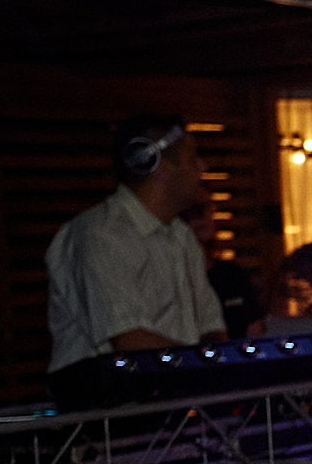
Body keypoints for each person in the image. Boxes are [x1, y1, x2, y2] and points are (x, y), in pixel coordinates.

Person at [45, 114, 223, 405]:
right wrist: (207, 372)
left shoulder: (182, 236)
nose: (202, 168)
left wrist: (220, 367)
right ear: (161, 166)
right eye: (193, 159)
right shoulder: (99, 234)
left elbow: (211, 326)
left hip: (175, 402)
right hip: (109, 415)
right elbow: (129, 341)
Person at [184, 200, 264, 340]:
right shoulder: (172, 278)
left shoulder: (233, 274)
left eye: (208, 209)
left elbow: (255, 328)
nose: (202, 216)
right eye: (193, 210)